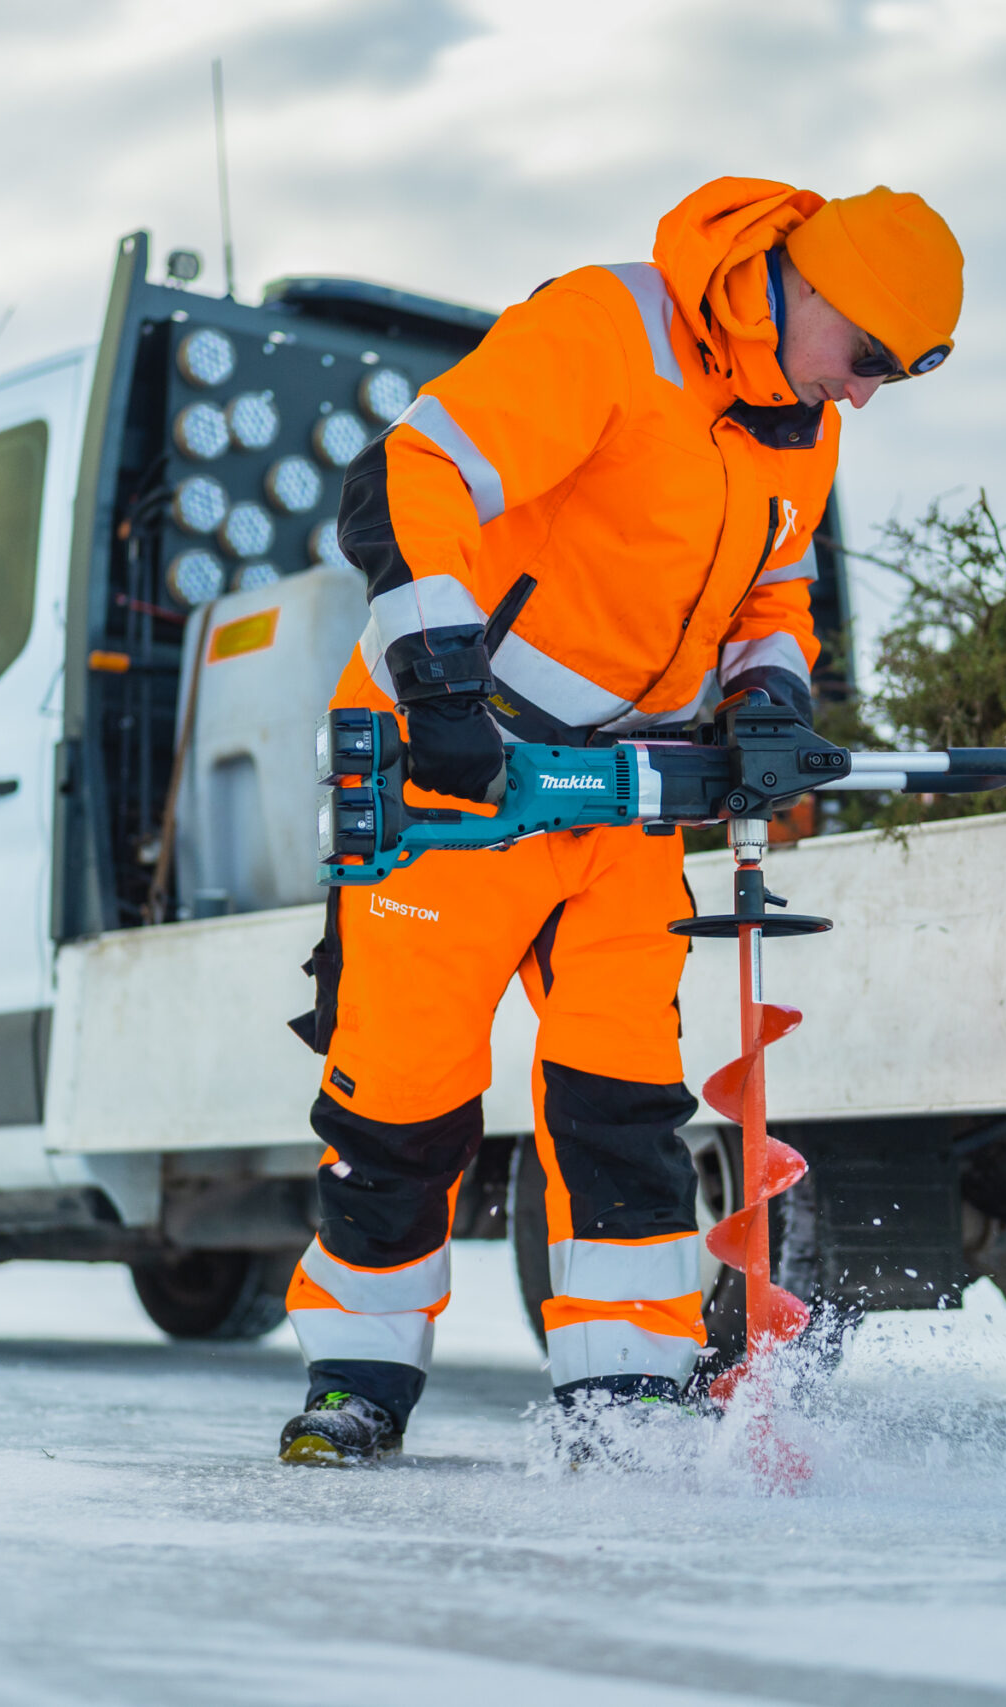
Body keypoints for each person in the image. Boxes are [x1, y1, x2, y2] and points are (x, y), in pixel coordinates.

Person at [278, 177, 964, 1465]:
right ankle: (356, 1381)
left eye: (894, 380)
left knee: (625, 1108)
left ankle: (628, 1398)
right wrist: (437, 679)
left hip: (626, 793)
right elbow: (408, 476)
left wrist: (767, 693)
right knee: (403, 1105)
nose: (865, 393)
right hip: (454, 777)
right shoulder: (608, 330)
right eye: (866, 358)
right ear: (811, 287)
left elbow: (774, 587)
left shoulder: (801, 424)